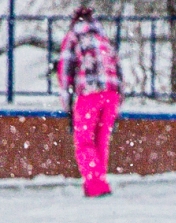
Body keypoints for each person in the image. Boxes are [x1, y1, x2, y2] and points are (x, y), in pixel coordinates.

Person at [57, 6, 122, 197]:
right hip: (111, 94)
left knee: (84, 142)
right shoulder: (103, 38)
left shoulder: (73, 37)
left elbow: (65, 71)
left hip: (89, 93)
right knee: (101, 140)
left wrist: (67, 104)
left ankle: (96, 186)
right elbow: (118, 69)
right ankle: (96, 182)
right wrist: (119, 99)